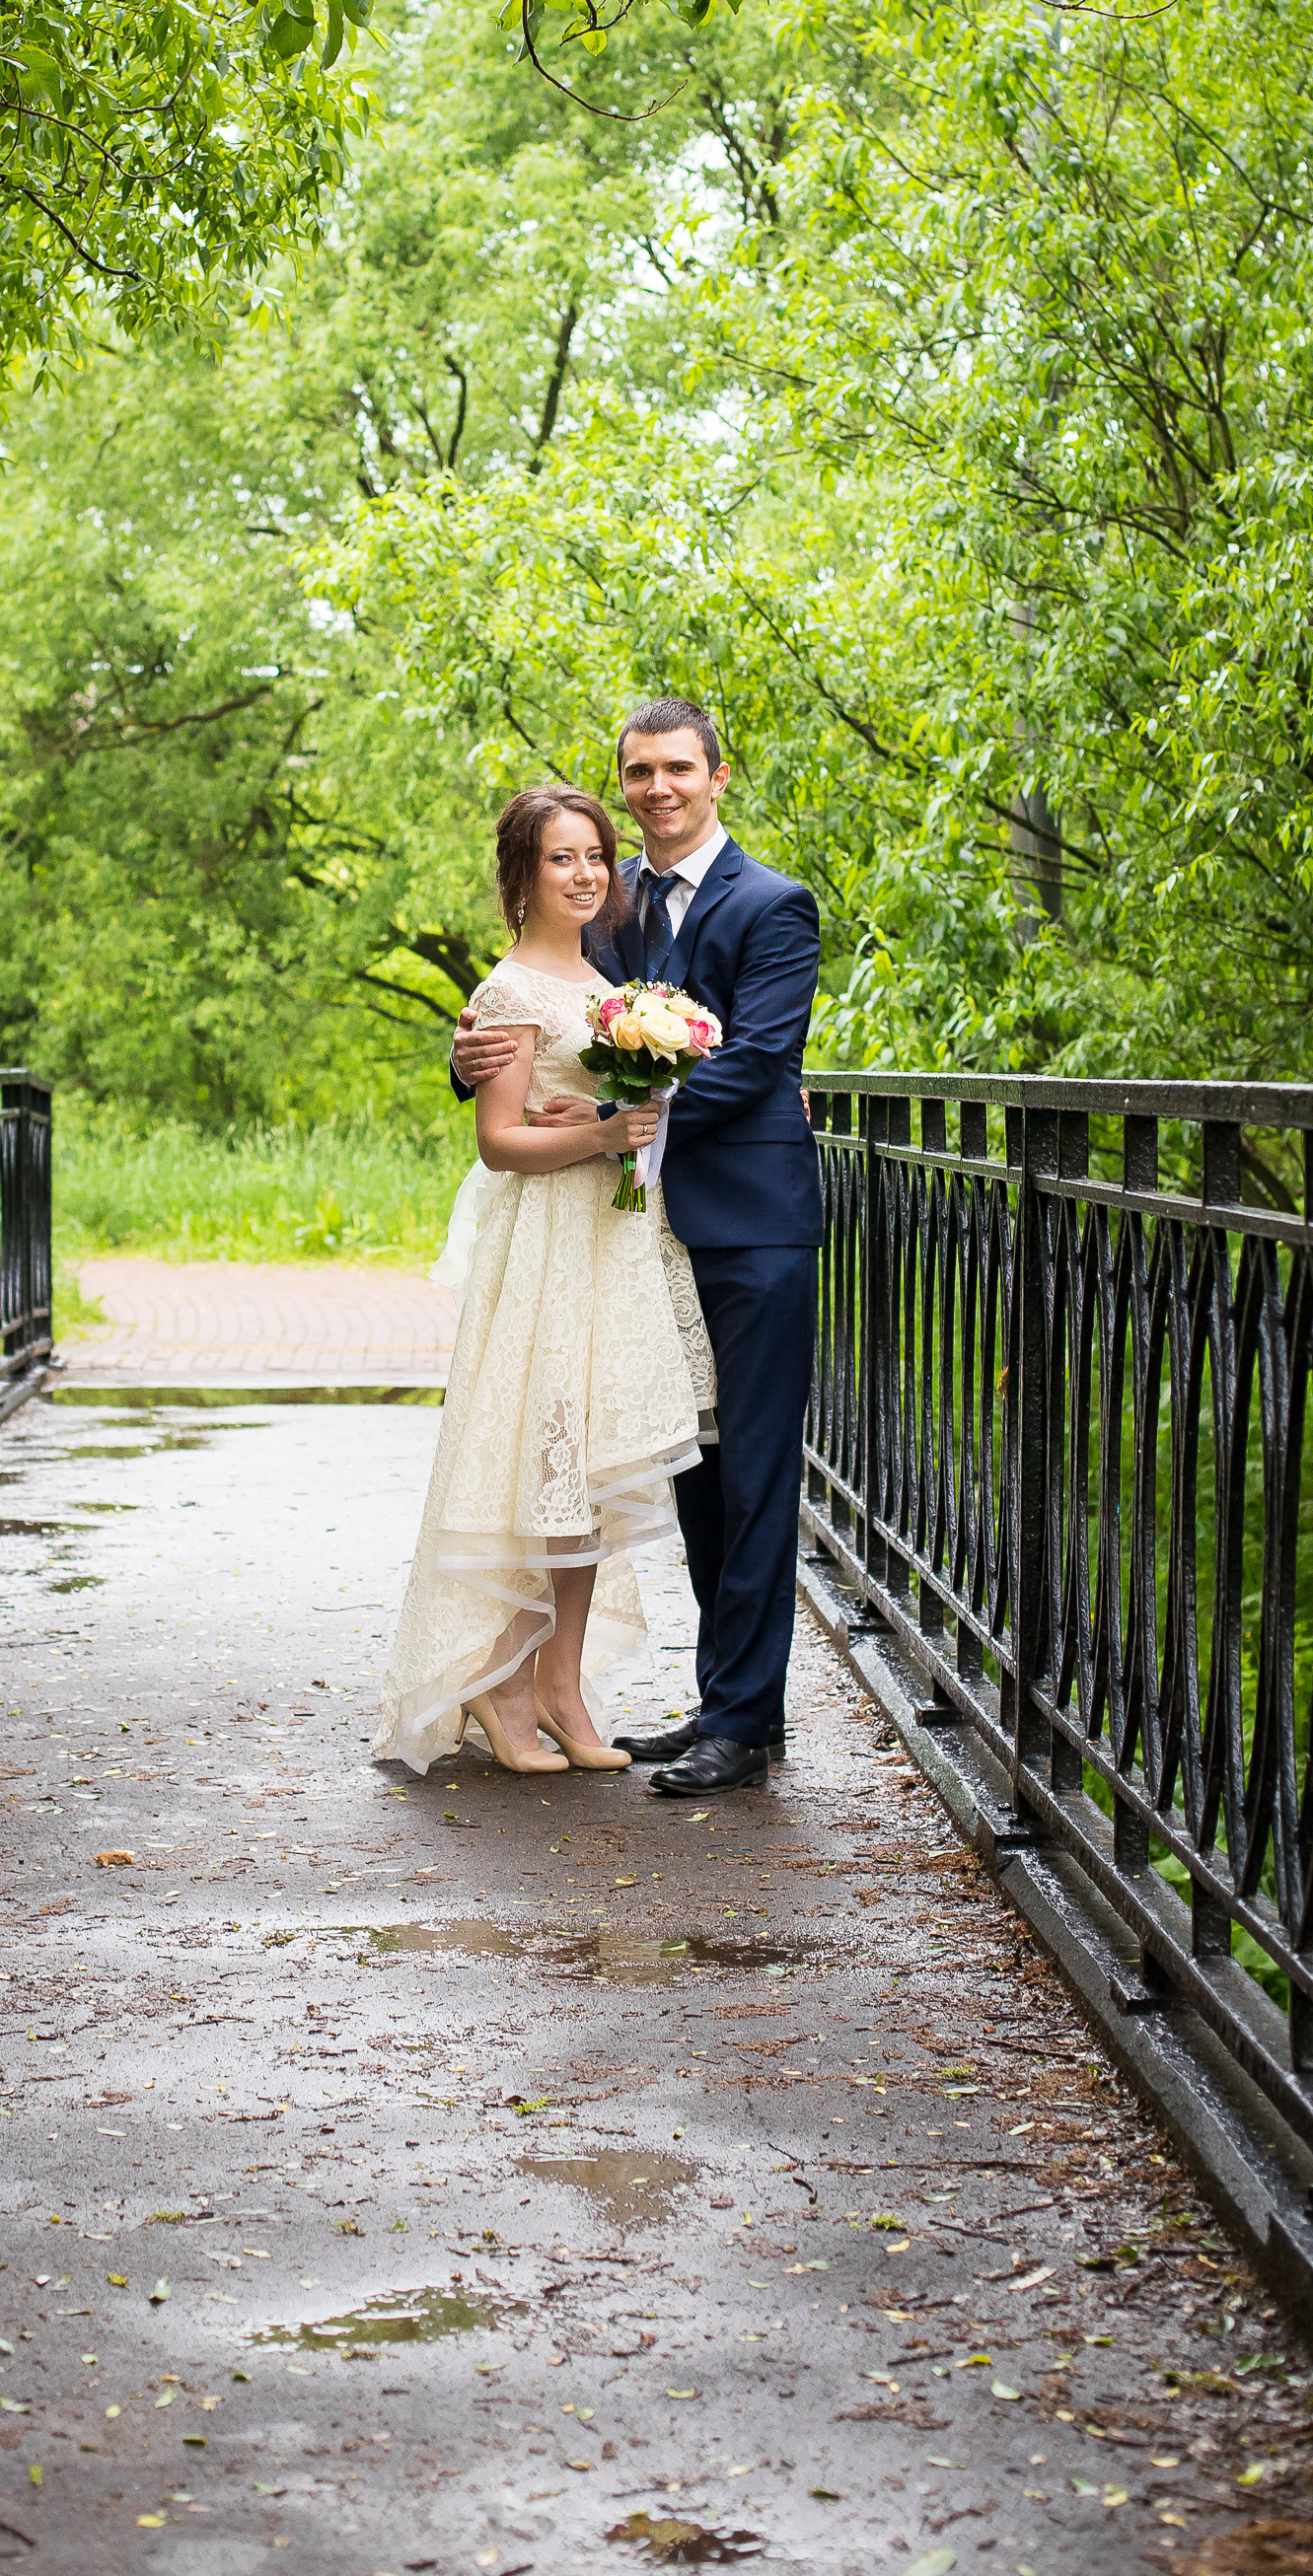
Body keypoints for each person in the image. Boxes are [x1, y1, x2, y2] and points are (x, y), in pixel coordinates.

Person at [450, 699, 821, 1800]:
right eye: (639, 772)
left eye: (677, 769)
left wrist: (624, 1119)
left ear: (717, 776)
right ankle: (729, 1703)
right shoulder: (604, 898)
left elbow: (757, 1059)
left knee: (754, 1471)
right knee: (694, 1471)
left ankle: (743, 1723)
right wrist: (468, 1062)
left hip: (750, 1225)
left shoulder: (774, 904)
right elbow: (541, 1010)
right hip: (636, 1238)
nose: (658, 789)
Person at [376, 785, 716, 1779]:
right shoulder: (509, 991)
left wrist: (631, 1118)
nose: (586, 873)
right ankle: (501, 1679)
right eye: (562, 857)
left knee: (594, 1473)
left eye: (595, 855)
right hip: (548, 1249)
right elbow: (498, 1142)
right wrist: (603, 1138)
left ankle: (563, 1688)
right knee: (541, 1460)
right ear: (521, 875)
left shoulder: (605, 981)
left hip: (613, 1244)